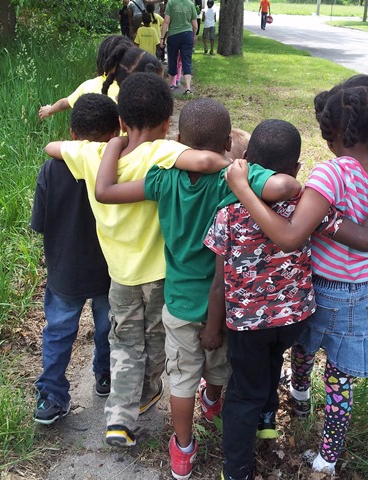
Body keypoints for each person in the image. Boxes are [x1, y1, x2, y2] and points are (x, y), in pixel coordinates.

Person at [95, 99, 304, 480]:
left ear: (178, 139)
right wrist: (239, 171)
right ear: (228, 141)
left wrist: (112, 146)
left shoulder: (163, 178)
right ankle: (212, 401)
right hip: (223, 307)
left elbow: (105, 191)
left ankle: (183, 450)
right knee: (220, 367)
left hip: (177, 303)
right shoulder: (231, 181)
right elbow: (287, 185)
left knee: (181, 378)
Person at [224, 73, 368, 476]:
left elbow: (289, 237)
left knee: (307, 348)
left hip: (325, 289)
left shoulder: (330, 175)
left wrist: (243, 189)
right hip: (364, 290)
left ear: (334, 129)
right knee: (338, 377)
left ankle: (308, 417)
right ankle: (324, 447)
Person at [45, 73, 231, 449]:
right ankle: (148, 392)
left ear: (121, 121)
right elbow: (208, 160)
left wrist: (112, 144)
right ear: (167, 122)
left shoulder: (93, 155)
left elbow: (52, 146)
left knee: (125, 343)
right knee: (156, 340)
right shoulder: (163, 153)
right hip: (161, 276)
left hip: (121, 276)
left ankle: (119, 418)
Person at [32, 94, 120, 425]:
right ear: (117, 132)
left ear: (71, 134)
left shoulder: (52, 168)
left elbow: (40, 223)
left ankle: (51, 396)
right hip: (109, 270)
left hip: (65, 271)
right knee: (107, 328)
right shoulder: (121, 169)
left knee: (58, 331)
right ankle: (105, 375)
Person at [38, 35, 133, 121]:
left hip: (89, 139)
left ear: (102, 60)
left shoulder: (88, 85)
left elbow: (65, 103)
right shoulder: (135, 89)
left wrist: (49, 110)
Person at [160, 0, 198, 95]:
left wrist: (162, 38)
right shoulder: (190, 4)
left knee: (172, 59)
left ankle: (171, 85)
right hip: (187, 35)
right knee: (187, 61)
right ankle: (188, 88)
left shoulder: (171, 3)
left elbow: (166, 21)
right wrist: (193, 36)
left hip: (173, 35)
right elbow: (195, 25)